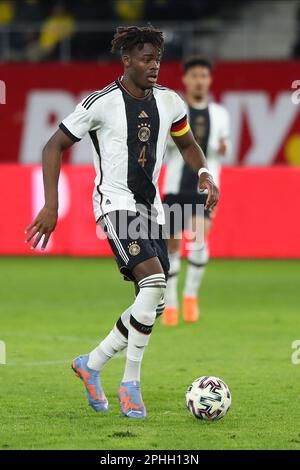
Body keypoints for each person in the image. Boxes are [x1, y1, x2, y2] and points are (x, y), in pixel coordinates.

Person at [24, 26, 219, 419]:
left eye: (158, 60)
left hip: (153, 211)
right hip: (115, 206)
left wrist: (203, 173)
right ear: (126, 59)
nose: (154, 66)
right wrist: (50, 205)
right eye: (147, 59)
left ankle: (91, 364)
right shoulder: (101, 103)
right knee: (155, 283)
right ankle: (131, 384)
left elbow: (187, 143)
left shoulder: (169, 101)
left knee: (153, 302)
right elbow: (53, 145)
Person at [163, 57, 230, 326]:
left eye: (204, 75)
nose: (200, 80)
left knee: (200, 238)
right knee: (172, 245)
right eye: (195, 76)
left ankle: (190, 295)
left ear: (209, 80)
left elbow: (224, 147)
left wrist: (223, 148)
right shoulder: (174, 110)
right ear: (186, 80)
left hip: (206, 188)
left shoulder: (221, 114)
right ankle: (171, 302)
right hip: (175, 186)